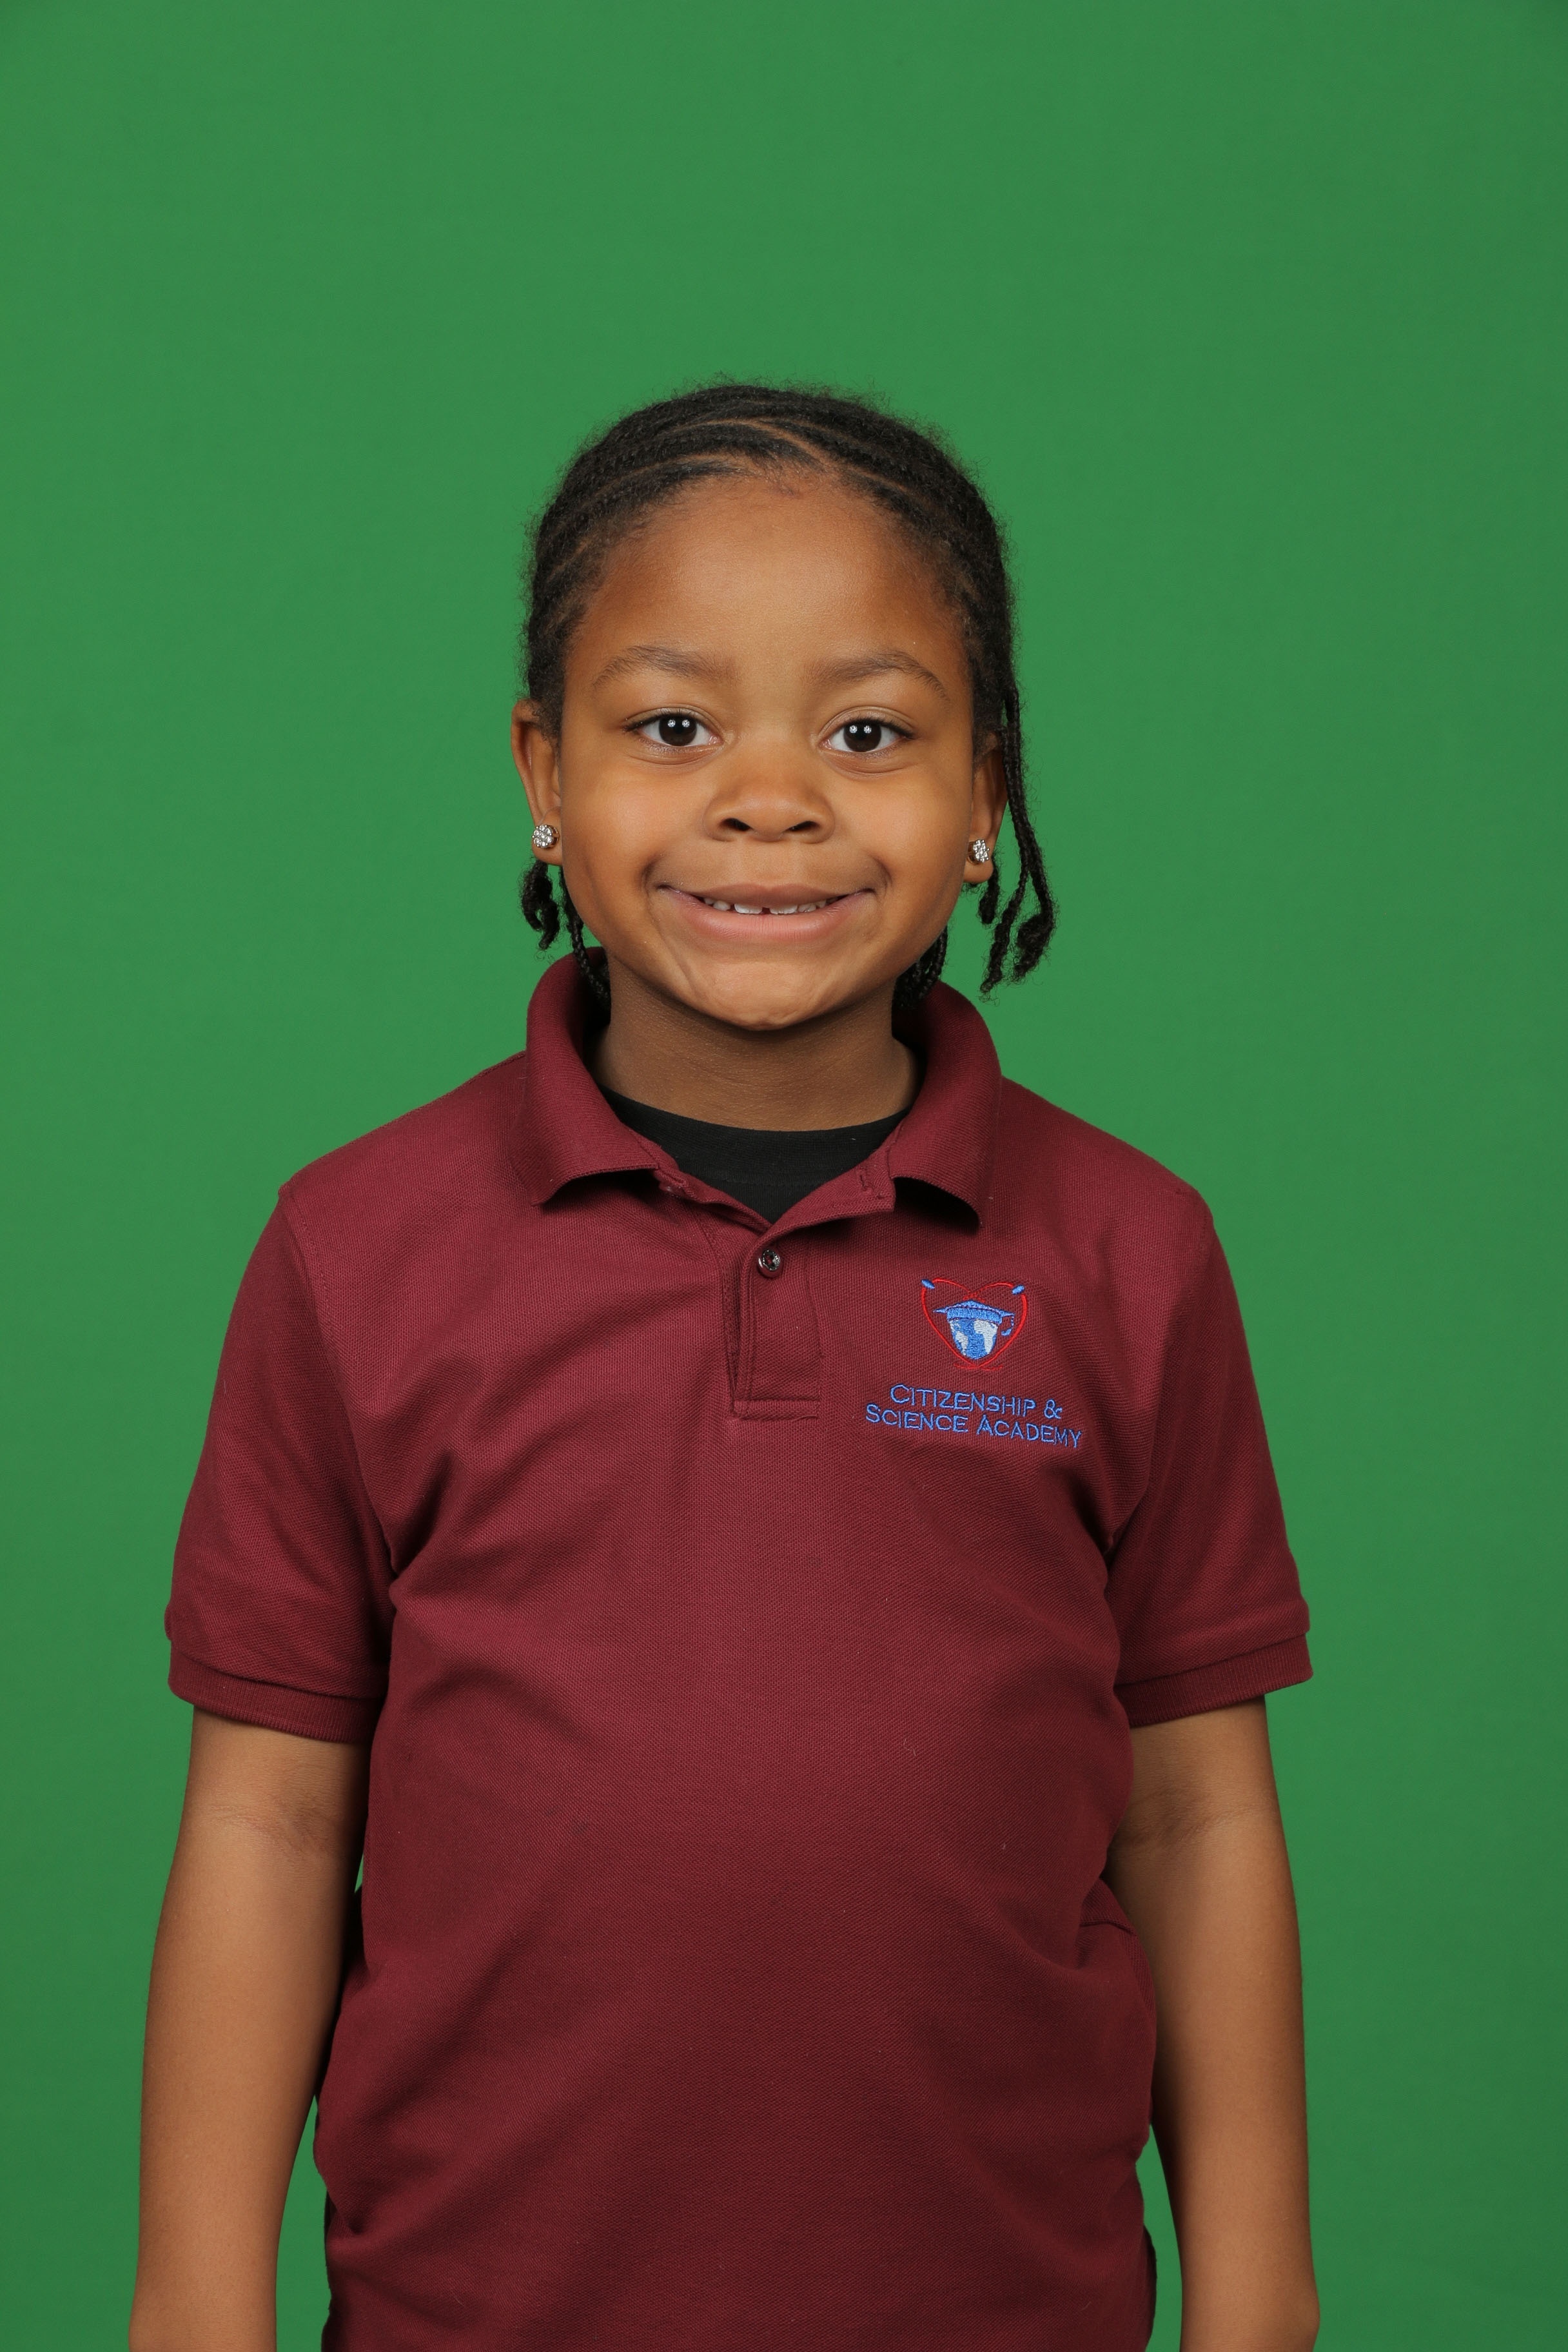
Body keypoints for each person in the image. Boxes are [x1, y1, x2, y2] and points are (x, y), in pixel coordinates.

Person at [131, 384, 1320, 2352]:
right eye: (673, 727)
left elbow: (1195, 1818)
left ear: (988, 791)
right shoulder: (358, 1247)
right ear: (544, 770)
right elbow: (272, 1822)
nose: (771, 799)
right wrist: (193, 2314)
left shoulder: (1130, 1251)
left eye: (868, 733)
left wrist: (1260, 2304)